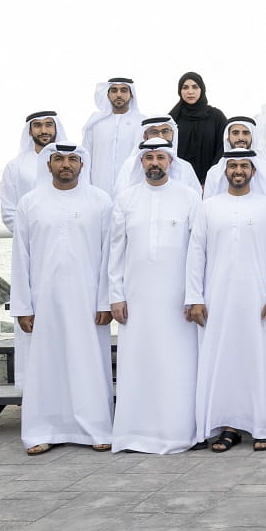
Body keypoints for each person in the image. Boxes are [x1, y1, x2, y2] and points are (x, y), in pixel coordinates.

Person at [10, 143, 114, 455]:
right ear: (49, 165)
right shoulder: (30, 202)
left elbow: (110, 254)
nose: (65, 165)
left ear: (82, 165)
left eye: (72, 159)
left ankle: (96, 429)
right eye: (59, 159)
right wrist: (23, 306)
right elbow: (20, 258)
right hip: (44, 301)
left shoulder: (100, 201)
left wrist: (105, 301)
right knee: (45, 365)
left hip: (88, 300)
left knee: (88, 363)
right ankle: (42, 430)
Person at [186, 148, 266, 453]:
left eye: (244, 166)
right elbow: (196, 253)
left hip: (258, 300)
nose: (238, 170)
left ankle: (262, 427)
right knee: (224, 363)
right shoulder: (209, 207)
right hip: (216, 300)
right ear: (225, 171)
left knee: (259, 361)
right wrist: (195, 297)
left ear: (253, 172)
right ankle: (228, 428)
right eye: (233, 166)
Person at [107, 139, 202, 453]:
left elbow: (198, 252)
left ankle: (179, 433)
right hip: (137, 299)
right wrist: (116, 296)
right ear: (141, 162)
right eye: (148, 158)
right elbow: (116, 252)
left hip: (178, 300)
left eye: (160, 157)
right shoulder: (126, 199)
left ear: (170, 161)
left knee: (177, 364)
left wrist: (194, 294)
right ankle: (135, 433)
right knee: (139, 363)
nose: (154, 163)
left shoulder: (189, 197)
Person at [0, 111, 65, 388]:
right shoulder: (16, 167)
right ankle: (33, 387)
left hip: (67, 251)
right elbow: (10, 211)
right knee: (32, 316)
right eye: (38, 125)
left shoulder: (67, 161)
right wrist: (35, 236)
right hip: (32, 253)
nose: (44, 129)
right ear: (30, 131)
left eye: (49, 124)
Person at [81, 77, 145, 197]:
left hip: (131, 190)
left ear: (131, 95)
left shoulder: (142, 123)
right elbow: (85, 157)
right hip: (98, 190)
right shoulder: (95, 123)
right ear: (108, 95)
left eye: (124, 90)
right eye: (114, 90)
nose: (118, 94)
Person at [112, 116, 202, 195]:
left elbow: (195, 199)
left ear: (173, 134)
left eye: (165, 131)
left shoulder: (185, 166)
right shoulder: (130, 165)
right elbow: (120, 198)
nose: (160, 136)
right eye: (154, 132)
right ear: (145, 136)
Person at [169, 72, 228, 183]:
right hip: (178, 181)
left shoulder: (216, 116)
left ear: (202, 89)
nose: (190, 91)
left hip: (211, 182)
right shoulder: (173, 119)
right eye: (185, 87)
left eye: (195, 87)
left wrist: (209, 180)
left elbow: (223, 147)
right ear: (180, 91)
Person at [203, 116, 266, 199]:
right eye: (235, 133)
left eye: (246, 133)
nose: (240, 138)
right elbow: (206, 207)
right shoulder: (214, 173)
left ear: (253, 136)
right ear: (228, 138)